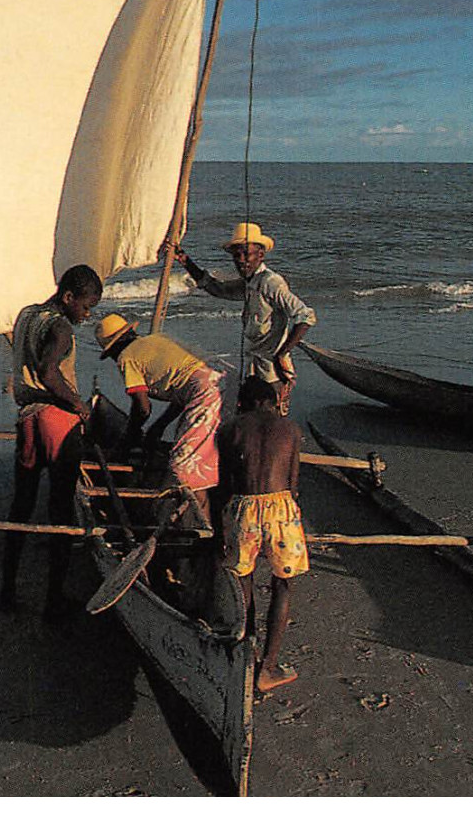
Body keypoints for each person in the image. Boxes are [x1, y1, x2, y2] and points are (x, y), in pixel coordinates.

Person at [0, 264, 102, 620]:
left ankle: (7, 591)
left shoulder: (27, 315)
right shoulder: (60, 327)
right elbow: (48, 371)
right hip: (57, 421)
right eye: (85, 307)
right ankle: (53, 603)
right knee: (60, 511)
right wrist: (77, 404)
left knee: (21, 506)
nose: (86, 316)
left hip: (27, 418)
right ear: (68, 297)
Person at [168, 222, 316, 416]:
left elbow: (305, 315)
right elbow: (216, 288)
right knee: (250, 417)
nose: (241, 260)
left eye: (247, 254)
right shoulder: (249, 282)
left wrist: (282, 353)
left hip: (272, 371)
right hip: (254, 367)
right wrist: (185, 261)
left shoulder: (270, 282)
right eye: (236, 256)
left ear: (261, 255)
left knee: (270, 418)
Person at [219, 376, 309, 692]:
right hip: (281, 509)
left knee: (243, 580)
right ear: (270, 401)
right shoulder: (292, 430)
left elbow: (225, 484)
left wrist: (222, 527)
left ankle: (248, 650)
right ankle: (268, 667)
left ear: (249, 402)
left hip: (243, 507)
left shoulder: (230, 429)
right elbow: (293, 486)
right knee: (283, 584)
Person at [93, 313, 223, 509]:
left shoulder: (126, 358)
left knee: (183, 465)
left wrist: (129, 436)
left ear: (113, 349)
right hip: (220, 382)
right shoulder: (155, 339)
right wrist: (158, 427)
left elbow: (143, 408)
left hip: (206, 394)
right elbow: (181, 390)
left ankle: (198, 524)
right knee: (210, 454)